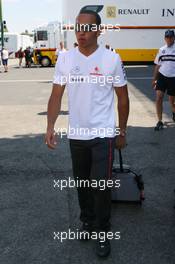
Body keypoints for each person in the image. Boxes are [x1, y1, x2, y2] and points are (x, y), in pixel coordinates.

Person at [45, 9, 129, 257]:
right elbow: (56, 95)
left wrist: (121, 132)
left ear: (99, 30)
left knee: (100, 186)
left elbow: (122, 99)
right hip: (77, 136)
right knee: (82, 184)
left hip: (103, 134)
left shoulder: (111, 59)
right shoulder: (65, 59)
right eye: (77, 27)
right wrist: (50, 126)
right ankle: (88, 221)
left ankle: (103, 231)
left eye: (87, 28)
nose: (81, 32)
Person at [152, 29, 175, 131]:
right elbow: (158, 65)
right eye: (167, 37)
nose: (169, 39)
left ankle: (173, 112)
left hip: (173, 78)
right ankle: (160, 121)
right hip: (162, 76)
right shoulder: (161, 49)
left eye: (171, 37)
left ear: (174, 38)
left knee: (172, 101)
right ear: (165, 38)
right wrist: (154, 79)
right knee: (159, 98)